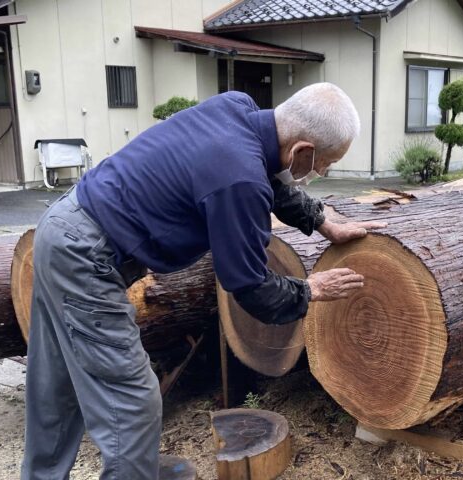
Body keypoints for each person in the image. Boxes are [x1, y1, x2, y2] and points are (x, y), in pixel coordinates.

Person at [21, 82, 384, 479]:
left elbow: (266, 175)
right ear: (301, 152)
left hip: (61, 226)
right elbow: (249, 286)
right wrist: (313, 289)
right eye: (324, 165)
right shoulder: (240, 182)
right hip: (84, 256)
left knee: (55, 386)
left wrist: (320, 220)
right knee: (132, 402)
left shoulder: (237, 108)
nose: (323, 173)